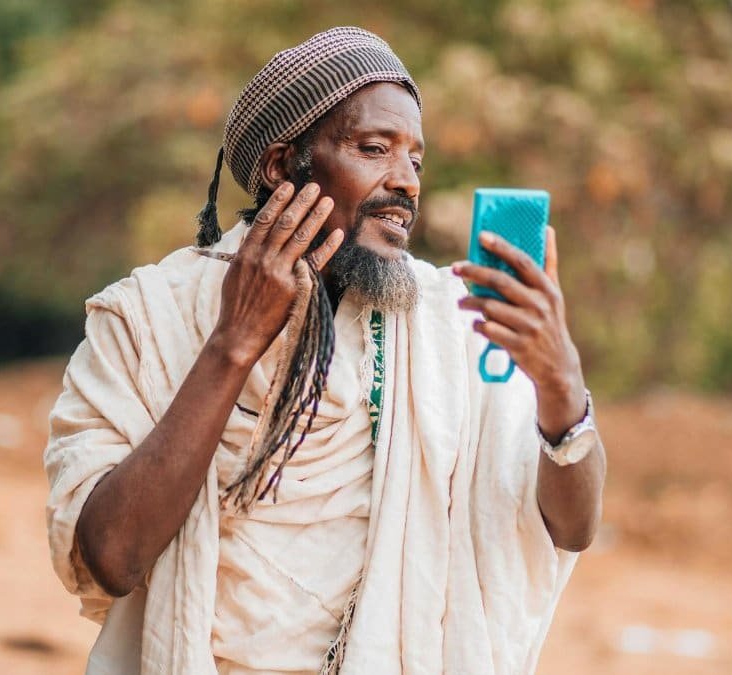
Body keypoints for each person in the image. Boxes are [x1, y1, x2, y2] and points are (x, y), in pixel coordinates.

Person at [44, 26, 605, 675]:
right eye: (375, 149)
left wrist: (561, 386)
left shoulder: (451, 325)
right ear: (283, 165)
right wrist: (233, 344)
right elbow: (111, 557)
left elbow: (572, 527)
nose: (406, 182)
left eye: (416, 161)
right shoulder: (148, 317)